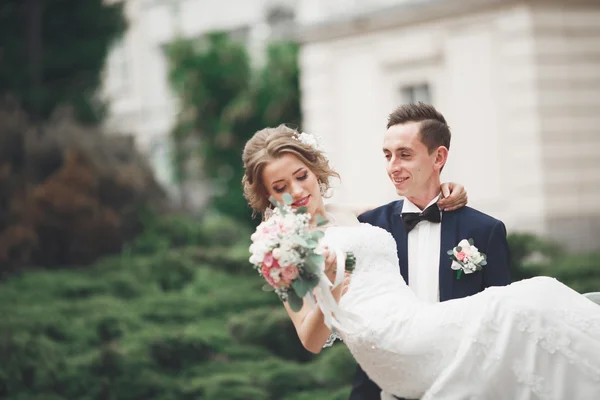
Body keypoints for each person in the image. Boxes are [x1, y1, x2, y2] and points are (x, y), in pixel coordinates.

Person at [241, 117, 600, 399]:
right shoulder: (280, 246)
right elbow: (310, 339)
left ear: (313, 169)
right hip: (391, 345)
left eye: (301, 176)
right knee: (526, 304)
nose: (297, 191)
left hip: (421, 321)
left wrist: (447, 189)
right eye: (280, 188)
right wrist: (332, 293)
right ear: (268, 195)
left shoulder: (351, 213)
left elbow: (416, 203)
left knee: (539, 300)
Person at [349, 103, 512, 400]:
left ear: (439, 157)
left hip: (465, 387)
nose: (392, 167)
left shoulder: (485, 231)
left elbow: (501, 324)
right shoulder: (368, 229)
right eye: (387, 156)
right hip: (386, 388)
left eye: (405, 155)